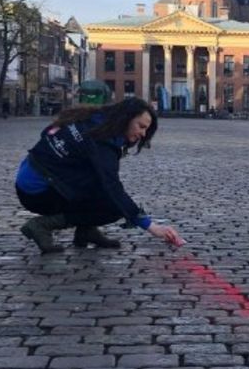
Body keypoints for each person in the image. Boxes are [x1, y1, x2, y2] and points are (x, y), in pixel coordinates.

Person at [14, 97, 185, 253]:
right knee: (114, 205)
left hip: (27, 179)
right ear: (125, 118)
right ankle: (42, 225)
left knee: (96, 181)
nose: (143, 134)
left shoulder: (90, 118)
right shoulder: (102, 142)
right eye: (141, 126)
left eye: (146, 130)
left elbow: (47, 132)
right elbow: (112, 187)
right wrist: (151, 226)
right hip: (37, 193)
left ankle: (86, 231)